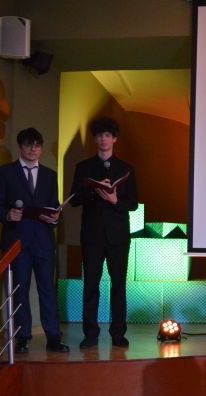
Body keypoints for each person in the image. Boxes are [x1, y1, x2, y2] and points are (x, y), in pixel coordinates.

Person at [0, 127, 69, 354]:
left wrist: (55, 218)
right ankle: (22, 337)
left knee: (48, 290)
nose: (33, 149)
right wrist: (7, 214)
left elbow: (54, 205)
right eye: (28, 145)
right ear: (20, 147)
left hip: (43, 241)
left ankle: (53, 337)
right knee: (19, 290)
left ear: (41, 148)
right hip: (17, 241)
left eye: (37, 145)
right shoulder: (5, 172)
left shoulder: (50, 175)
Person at [69, 117, 138, 349]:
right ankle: (90, 334)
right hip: (92, 236)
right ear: (95, 139)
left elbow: (133, 203)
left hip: (118, 236)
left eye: (107, 135)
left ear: (114, 139)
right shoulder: (84, 167)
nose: (103, 139)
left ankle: (118, 333)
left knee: (119, 285)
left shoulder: (126, 168)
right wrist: (93, 191)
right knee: (91, 284)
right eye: (99, 135)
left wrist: (115, 200)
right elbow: (74, 200)